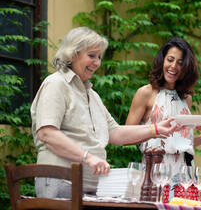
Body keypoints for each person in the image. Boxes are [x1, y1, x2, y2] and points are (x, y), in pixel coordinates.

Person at [31, 27, 177, 198]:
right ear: (72, 54)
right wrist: (88, 157)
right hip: (61, 181)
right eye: (91, 55)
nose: (97, 62)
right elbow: (47, 133)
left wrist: (156, 129)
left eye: (99, 57)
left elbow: (115, 133)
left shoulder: (92, 96)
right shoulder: (56, 84)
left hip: (92, 187)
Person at [126, 37, 201, 198]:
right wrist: (154, 131)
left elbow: (177, 144)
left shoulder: (186, 99)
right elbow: (126, 136)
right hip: (155, 172)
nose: (174, 66)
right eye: (170, 59)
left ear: (186, 68)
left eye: (180, 63)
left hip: (183, 174)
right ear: (162, 61)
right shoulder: (146, 93)